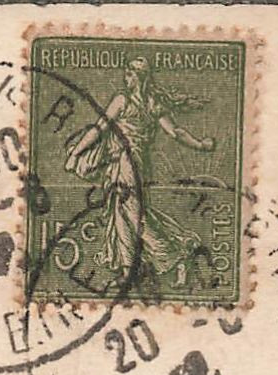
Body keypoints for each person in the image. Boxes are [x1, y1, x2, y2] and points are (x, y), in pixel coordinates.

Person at [63, 56, 219, 292]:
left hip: (127, 163)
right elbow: (175, 132)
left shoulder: (122, 100)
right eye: (127, 73)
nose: (127, 77)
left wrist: (76, 153)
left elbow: (99, 128)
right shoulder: (152, 104)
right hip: (133, 164)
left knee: (133, 218)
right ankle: (129, 272)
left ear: (139, 77)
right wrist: (200, 144)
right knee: (123, 214)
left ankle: (176, 257)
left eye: (130, 73)